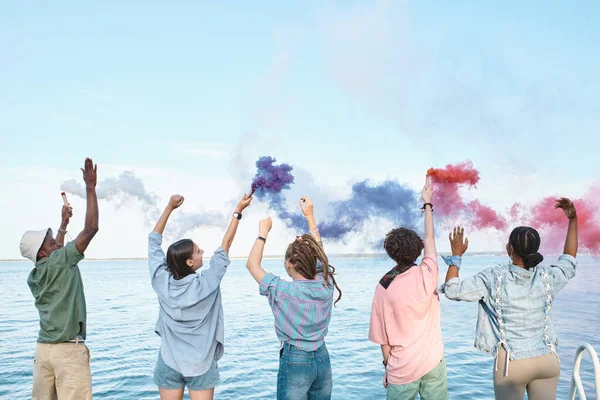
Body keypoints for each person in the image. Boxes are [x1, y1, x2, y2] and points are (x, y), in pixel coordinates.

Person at [442, 198, 578, 400]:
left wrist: (456, 256)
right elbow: (569, 258)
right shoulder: (547, 277)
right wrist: (573, 219)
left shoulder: (492, 277)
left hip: (512, 365)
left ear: (511, 249)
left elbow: (452, 291)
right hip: (547, 360)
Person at [148, 192, 252, 400]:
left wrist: (169, 207)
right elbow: (226, 245)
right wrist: (238, 212)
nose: (202, 251)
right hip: (201, 364)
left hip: (169, 361)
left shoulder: (161, 282)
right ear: (189, 262)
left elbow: (153, 242)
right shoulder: (208, 282)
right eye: (197, 251)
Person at [245, 196, 342, 400]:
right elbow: (321, 256)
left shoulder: (283, 291)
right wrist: (310, 217)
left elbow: (252, 265)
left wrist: (263, 233)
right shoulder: (326, 284)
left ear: (289, 264)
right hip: (323, 358)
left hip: (295, 359)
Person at [20, 157, 99, 400]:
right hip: (68, 353)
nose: (58, 243)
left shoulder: (34, 275)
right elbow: (91, 228)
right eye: (52, 241)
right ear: (43, 252)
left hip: (43, 352)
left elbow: (55, 255)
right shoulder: (61, 260)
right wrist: (90, 188)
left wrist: (63, 224)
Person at [368, 176, 448, 400]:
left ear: (390, 253)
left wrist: (387, 366)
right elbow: (430, 237)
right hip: (433, 361)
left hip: (401, 369)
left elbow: (383, 338)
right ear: (418, 249)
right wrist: (427, 204)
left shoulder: (383, 287)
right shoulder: (428, 273)